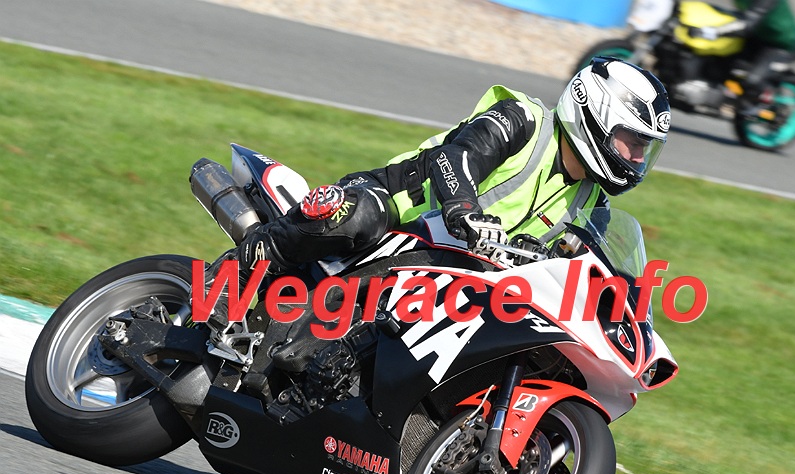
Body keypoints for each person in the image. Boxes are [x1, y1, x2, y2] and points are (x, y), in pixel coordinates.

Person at [202, 56, 671, 329]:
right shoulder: (523, 119)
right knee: (357, 215)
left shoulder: (592, 204)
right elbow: (454, 157)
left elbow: (591, 268)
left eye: (644, 149)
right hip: (397, 209)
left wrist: (625, 299)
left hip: (457, 273)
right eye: (631, 141)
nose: (635, 158)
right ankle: (227, 282)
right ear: (593, 115)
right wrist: (464, 209)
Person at [689, 0, 795, 91]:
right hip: (756, 34)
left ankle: (763, 106)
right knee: (718, 62)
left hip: (777, 42)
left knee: (751, 82)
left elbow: (746, 24)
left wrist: (710, 31)